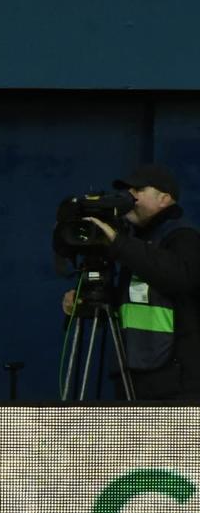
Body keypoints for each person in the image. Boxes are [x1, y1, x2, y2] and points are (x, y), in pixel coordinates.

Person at [64, 164, 200, 400]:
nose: (130, 195)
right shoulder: (135, 240)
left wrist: (119, 242)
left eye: (138, 189)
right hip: (135, 375)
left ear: (164, 198)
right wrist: (85, 299)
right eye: (128, 190)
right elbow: (137, 298)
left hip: (176, 382)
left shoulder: (184, 236)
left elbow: (178, 278)